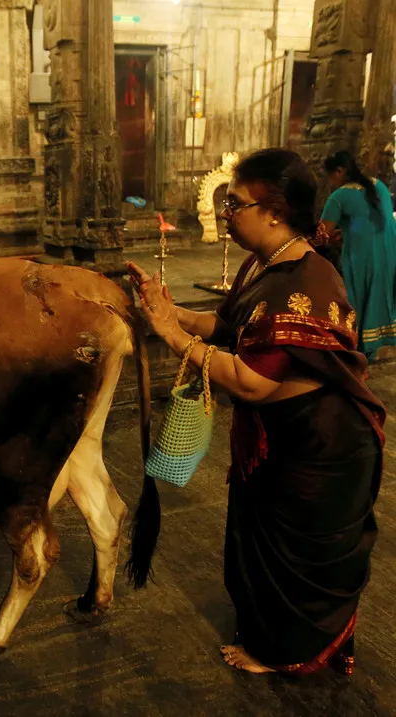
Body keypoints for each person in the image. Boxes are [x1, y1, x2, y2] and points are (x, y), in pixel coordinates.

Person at [127, 148, 385, 676]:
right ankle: (268, 632)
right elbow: (227, 327)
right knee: (261, 545)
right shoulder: (266, 262)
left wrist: (172, 339)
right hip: (280, 439)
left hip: (319, 446)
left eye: (235, 203)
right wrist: (165, 309)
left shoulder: (303, 286)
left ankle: (285, 654)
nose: (225, 213)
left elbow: (253, 382)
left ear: (275, 211)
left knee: (295, 560)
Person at [321, 150, 396, 360]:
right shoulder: (378, 185)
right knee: (381, 293)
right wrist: (344, 233)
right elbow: (366, 223)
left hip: (363, 257)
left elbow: (321, 233)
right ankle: (375, 343)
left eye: (330, 176)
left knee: (358, 296)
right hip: (389, 252)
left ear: (340, 171)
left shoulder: (339, 196)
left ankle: (358, 350)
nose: (329, 182)